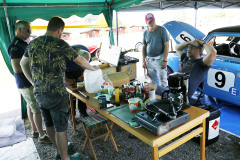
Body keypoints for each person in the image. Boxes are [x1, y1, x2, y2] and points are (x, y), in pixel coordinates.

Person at [20, 17, 97, 160]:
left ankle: (58, 152)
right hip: (56, 94)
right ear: (59, 30)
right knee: (61, 128)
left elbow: (23, 63)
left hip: (40, 93)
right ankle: (65, 157)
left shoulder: (33, 44)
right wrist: (94, 69)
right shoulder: (60, 44)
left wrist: (33, 81)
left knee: (48, 124)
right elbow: (79, 60)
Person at [8, 20, 51, 144]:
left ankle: (35, 130)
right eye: (28, 30)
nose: (30, 32)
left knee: (30, 106)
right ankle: (42, 136)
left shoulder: (23, 43)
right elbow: (17, 68)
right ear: (19, 30)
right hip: (26, 83)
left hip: (27, 82)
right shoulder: (15, 46)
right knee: (37, 109)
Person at [148, 39, 217, 105]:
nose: (189, 49)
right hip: (170, 89)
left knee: (148, 86)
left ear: (200, 51)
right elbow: (177, 48)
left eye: (192, 47)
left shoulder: (201, 64)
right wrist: (189, 43)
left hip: (179, 97)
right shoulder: (185, 59)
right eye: (189, 47)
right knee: (147, 88)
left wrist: (203, 43)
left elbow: (212, 52)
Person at [142, 13, 169, 87]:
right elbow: (144, 47)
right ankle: (156, 96)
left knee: (162, 80)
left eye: (153, 20)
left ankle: (164, 96)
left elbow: (166, 45)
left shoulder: (161, 30)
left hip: (159, 59)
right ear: (146, 23)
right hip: (149, 60)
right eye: (149, 22)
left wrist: (165, 59)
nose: (152, 23)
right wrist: (143, 61)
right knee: (153, 81)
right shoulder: (145, 32)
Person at [65, 46, 91, 118]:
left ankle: (83, 112)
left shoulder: (86, 51)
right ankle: (71, 116)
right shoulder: (65, 55)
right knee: (70, 96)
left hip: (78, 71)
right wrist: (67, 80)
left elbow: (87, 66)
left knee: (82, 93)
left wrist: (82, 74)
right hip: (67, 73)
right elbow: (58, 71)